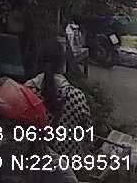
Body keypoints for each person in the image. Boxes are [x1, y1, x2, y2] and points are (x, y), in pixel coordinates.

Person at [26, 40, 94, 181]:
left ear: (39, 62)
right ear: (63, 65)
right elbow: (88, 139)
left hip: (35, 169)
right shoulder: (77, 97)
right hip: (69, 171)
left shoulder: (27, 93)